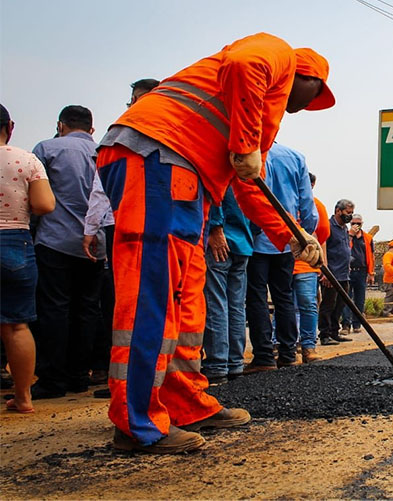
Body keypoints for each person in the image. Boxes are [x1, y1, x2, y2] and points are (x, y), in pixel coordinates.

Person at [95, 33, 331, 454]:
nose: (304, 107)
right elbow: (244, 66)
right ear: (307, 75)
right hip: (156, 156)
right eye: (313, 95)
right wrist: (245, 146)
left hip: (185, 176)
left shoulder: (256, 111)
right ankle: (137, 423)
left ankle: (185, 404)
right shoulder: (274, 53)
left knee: (188, 303)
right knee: (154, 295)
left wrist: (293, 236)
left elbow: (249, 183)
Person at [84, 78, 160, 397]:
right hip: (161, 228)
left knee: (127, 303)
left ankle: (129, 386)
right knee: (157, 303)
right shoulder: (175, 133)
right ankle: (148, 382)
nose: (130, 106)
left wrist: (90, 229)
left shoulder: (123, 133)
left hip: (128, 227)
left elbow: (102, 188)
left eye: (134, 99)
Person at [29, 105, 106, 400]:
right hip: (96, 245)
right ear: (91, 129)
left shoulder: (47, 148)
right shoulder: (104, 151)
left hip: (54, 241)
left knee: (54, 309)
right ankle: (79, 376)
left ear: (61, 125)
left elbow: (37, 199)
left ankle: (52, 378)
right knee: (88, 310)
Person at [0, 104, 56, 414]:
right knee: (16, 327)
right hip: (14, 241)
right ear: (10, 126)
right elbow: (46, 204)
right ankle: (23, 397)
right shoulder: (26, 160)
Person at [244, 143, 317, 371]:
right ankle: (287, 353)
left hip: (255, 240)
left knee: (256, 298)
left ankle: (264, 356)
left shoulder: (249, 154)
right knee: (284, 297)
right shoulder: (295, 157)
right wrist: (303, 236)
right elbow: (308, 206)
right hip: (287, 242)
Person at [202, 185, 253, 384]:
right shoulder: (252, 169)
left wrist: (215, 227)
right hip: (243, 241)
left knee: (217, 302)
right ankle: (235, 363)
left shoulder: (223, 165)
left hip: (221, 238)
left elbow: (214, 192)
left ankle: (217, 365)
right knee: (236, 306)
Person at [292, 172, 330, 363]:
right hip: (283, 263)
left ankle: (308, 346)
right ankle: (282, 344)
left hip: (306, 266)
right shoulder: (285, 201)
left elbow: (322, 237)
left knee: (307, 304)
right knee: (285, 306)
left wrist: (322, 266)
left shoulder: (317, 207)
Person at [318, 199, 355, 345]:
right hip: (331, 273)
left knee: (340, 304)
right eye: (347, 212)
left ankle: (334, 331)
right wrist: (325, 271)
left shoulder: (344, 228)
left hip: (344, 273)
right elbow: (323, 247)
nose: (349, 216)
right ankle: (324, 334)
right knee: (328, 304)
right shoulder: (328, 226)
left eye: (351, 213)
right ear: (338, 211)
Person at [341, 213, 374, 334]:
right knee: (346, 298)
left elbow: (371, 256)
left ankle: (357, 324)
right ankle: (345, 325)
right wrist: (351, 235)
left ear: (362, 224)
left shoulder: (368, 238)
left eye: (358, 223)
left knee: (360, 299)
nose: (356, 225)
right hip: (348, 270)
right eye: (353, 223)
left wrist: (371, 273)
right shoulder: (345, 235)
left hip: (362, 271)